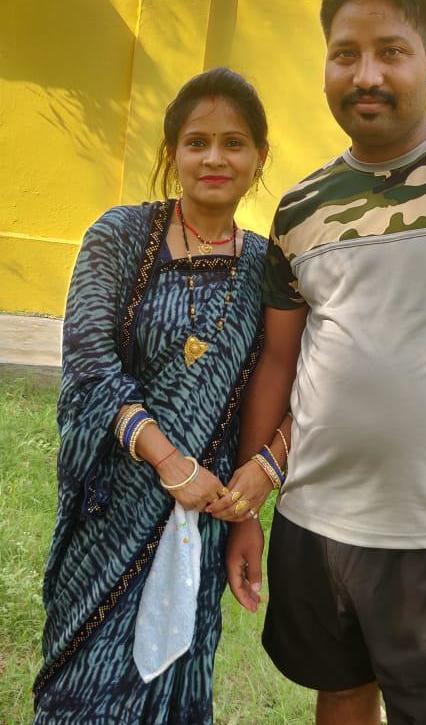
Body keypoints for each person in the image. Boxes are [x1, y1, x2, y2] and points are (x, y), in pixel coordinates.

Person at [224, 1, 426, 724]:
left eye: (391, 52)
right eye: (345, 54)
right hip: (313, 521)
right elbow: (279, 361)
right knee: (339, 693)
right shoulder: (301, 208)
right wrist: (248, 511)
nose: (365, 74)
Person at [33, 67, 290, 724]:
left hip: (200, 522)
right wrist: (169, 462)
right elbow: (89, 362)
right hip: (110, 515)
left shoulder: (267, 267)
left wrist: (248, 507)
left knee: (176, 689)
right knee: (84, 691)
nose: (214, 158)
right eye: (197, 142)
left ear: (259, 157)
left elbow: (293, 380)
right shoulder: (119, 236)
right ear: (172, 152)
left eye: (233, 143)